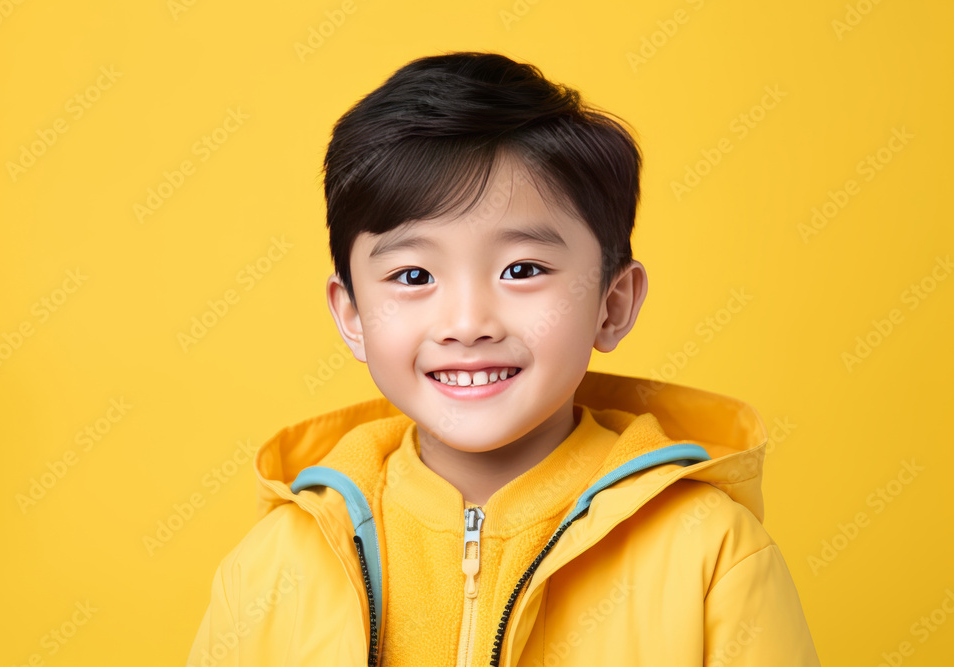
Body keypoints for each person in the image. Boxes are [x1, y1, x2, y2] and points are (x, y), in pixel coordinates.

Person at [187, 51, 820, 666]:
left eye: (522, 269)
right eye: (412, 275)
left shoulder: (711, 554)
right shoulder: (274, 567)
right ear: (351, 315)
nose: (468, 324)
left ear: (613, 301)